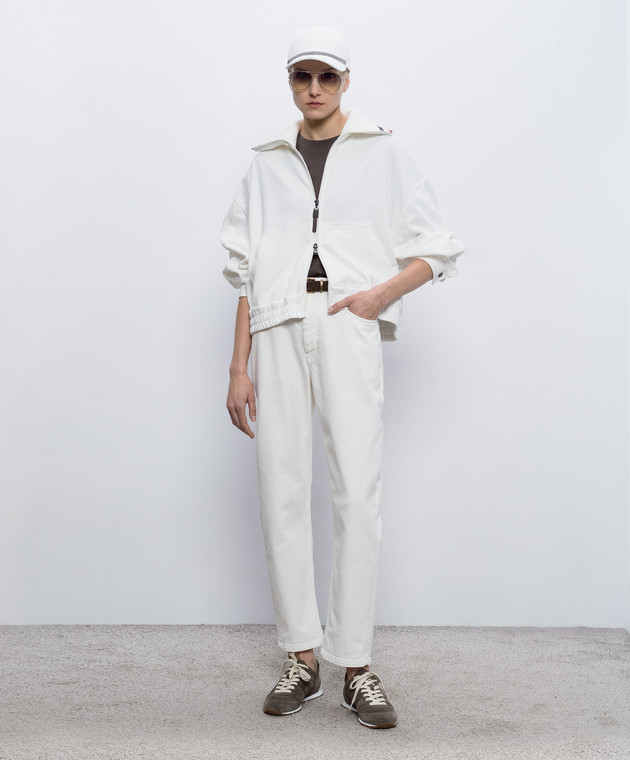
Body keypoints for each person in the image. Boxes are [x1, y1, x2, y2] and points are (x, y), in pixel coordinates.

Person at [221, 25, 464, 729]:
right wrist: (237, 365)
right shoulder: (265, 163)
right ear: (291, 82)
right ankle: (301, 658)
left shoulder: (382, 153)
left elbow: (437, 248)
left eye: (326, 76)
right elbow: (245, 270)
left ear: (345, 81)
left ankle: (355, 665)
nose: (315, 89)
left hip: (345, 321)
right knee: (281, 488)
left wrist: (377, 297)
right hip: (275, 324)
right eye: (303, 76)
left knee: (357, 488)